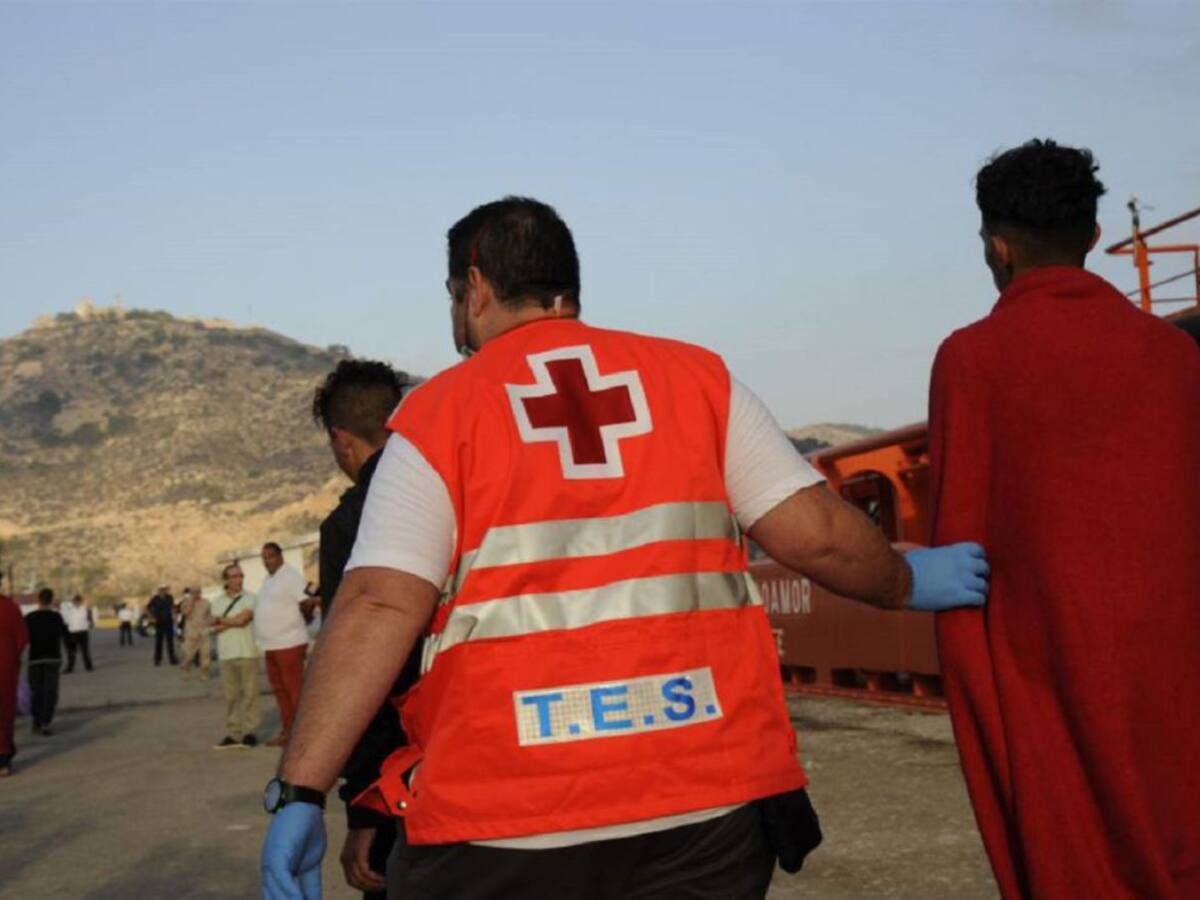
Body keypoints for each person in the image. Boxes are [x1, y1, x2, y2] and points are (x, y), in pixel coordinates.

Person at [262, 197, 990, 899]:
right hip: (706, 802)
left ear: (476, 287)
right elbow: (820, 538)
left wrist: (302, 789)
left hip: (507, 817)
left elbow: (380, 604)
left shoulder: (440, 415)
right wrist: (905, 581)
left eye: (454, 297)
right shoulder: (696, 381)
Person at [928, 140, 1200, 900]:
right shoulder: (1177, 355)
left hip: (1042, 667)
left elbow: (961, 540)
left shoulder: (971, 358)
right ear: (1092, 235)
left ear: (998, 246)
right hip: (1175, 667)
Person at [312, 359, 414, 899]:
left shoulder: (352, 522)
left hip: (406, 777)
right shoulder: (458, 490)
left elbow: (361, 665)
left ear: (341, 440)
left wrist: (365, 805)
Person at [254, 542, 316, 747]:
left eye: (270, 556)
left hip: (289, 643)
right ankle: (288, 732)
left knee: (294, 690)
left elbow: (307, 601)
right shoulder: (269, 579)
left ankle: (303, 735)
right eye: (264, 557)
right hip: (271, 644)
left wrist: (305, 619)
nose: (267, 561)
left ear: (280, 556)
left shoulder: (290, 576)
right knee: (280, 690)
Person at [211, 564, 260, 749]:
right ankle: (233, 733)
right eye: (234, 576)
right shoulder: (217, 602)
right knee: (231, 696)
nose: (238, 579)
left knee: (250, 694)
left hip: (247, 651)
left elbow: (243, 620)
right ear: (226, 580)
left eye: (240, 575)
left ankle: (250, 732)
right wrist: (232, 620)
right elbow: (214, 627)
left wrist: (221, 620)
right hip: (226, 654)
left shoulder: (251, 598)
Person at [24, 588, 68, 736]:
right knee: (50, 692)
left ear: (39, 599)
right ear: (51, 600)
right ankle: (46, 722)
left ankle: (36, 722)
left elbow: (22, 637)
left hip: (35, 659)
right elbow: (66, 636)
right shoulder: (56, 617)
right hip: (53, 658)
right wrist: (72, 650)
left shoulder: (30, 617)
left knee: (36, 691)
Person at [0, 573, 29, 776]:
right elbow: (22, 638)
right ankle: (4, 759)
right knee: (5, 712)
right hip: (6, 667)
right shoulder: (10, 607)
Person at [180, 587, 212, 680]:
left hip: (204, 632)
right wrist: (191, 603)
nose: (196, 594)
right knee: (189, 655)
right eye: (193, 592)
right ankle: (186, 670)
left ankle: (204, 672)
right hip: (191, 633)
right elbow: (186, 614)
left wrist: (210, 625)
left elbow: (210, 615)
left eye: (198, 592)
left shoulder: (206, 602)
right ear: (190, 593)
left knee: (205, 654)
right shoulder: (185, 603)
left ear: (200, 592)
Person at [61, 593, 94, 673]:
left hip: (83, 632)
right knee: (71, 651)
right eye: (75, 601)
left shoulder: (86, 609)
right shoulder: (69, 611)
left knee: (85, 650)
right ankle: (70, 668)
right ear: (73, 602)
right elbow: (66, 621)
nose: (76, 603)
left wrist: (91, 623)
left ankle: (88, 666)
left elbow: (90, 620)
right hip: (72, 633)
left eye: (78, 601)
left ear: (81, 601)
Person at [147, 585, 178, 666]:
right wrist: (151, 617)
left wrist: (174, 616)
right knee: (159, 642)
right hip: (159, 622)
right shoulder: (155, 598)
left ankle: (172, 659)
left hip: (169, 621)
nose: (163, 591)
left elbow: (173, 608)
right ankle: (157, 660)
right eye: (161, 589)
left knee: (170, 642)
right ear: (159, 590)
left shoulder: (170, 597)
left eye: (164, 589)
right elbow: (147, 608)